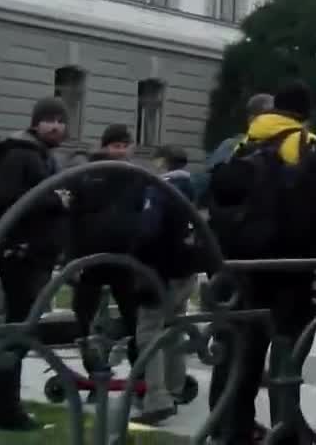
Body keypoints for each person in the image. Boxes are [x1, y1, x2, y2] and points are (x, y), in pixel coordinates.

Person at [207, 81, 316, 445]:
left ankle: (232, 428)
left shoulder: (241, 144)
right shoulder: (306, 144)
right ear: (305, 112)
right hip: (287, 265)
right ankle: (284, 430)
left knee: (242, 352)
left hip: (241, 263)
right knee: (287, 353)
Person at [0, 96, 70, 431]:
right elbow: (6, 199)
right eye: (49, 119)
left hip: (34, 254)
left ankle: (4, 407)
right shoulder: (21, 154)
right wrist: (55, 200)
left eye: (61, 120)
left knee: (18, 331)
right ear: (36, 123)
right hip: (21, 254)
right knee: (15, 332)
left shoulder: (40, 156)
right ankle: (4, 410)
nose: (56, 126)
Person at [65, 124, 146, 370]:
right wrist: (71, 257)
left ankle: (138, 374)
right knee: (85, 318)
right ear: (104, 147)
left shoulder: (137, 177)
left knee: (134, 319)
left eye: (124, 146)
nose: (120, 152)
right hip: (90, 258)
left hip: (126, 259)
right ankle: (95, 371)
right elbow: (72, 218)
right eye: (115, 146)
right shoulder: (88, 174)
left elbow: (143, 213)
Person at [131, 144, 200, 425]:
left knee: (149, 333)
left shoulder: (159, 188)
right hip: (187, 269)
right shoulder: (193, 187)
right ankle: (176, 386)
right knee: (174, 329)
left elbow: (148, 230)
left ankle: (157, 398)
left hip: (160, 271)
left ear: (162, 161)